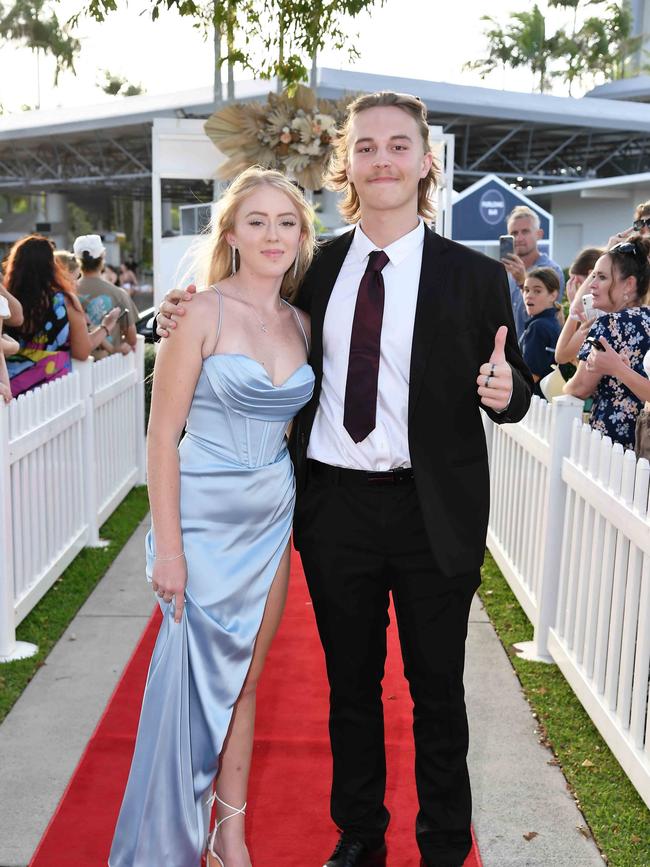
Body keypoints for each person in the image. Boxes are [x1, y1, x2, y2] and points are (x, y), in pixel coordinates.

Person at [158, 91, 533, 867]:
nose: (384, 159)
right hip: (336, 508)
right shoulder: (313, 271)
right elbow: (246, 317)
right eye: (367, 146)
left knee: (438, 693)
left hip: (436, 515)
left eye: (400, 145)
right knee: (350, 688)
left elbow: (517, 381)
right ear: (347, 164)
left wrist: (508, 393)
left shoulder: (474, 277)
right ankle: (359, 835)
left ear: (426, 162)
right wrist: (177, 310)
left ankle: (439, 844)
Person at [109, 167, 315, 867]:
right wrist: (169, 550)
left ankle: (230, 833)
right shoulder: (198, 312)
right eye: (256, 221)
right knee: (187, 690)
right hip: (200, 519)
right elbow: (161, 435)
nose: (272, 235)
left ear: (302, 235)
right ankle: (166, 838)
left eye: (286, 222)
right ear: (230, 232)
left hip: (270, 518)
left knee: (247, 681)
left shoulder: (302, 321)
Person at [4, 235, 119, 398]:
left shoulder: (7, 302)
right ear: (51, 265)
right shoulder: (64, 301)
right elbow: (82, 351)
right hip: (55, 392)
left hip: (12, 393)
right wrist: (107, 326)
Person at [564, 237, 650, 451]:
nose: (592, 284)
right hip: (641, 443)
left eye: (601, 277)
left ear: (629, 284)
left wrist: (565, 386)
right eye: (593, 276)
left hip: (611, 442)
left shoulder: (609, 323)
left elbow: (580, 387)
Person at [501, 205, 565, 339]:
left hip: (535, 350)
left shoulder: (552, 270)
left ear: (539, 234)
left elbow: (545, 316)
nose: (519, 238)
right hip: (508, 351)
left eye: (525, 232)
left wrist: (522, 281)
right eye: (514, 233)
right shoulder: (505, 271)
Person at [74, 234, 139, 356]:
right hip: (111, 367)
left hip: (75, 367)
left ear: (78, 260)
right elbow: (132, 339)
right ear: (103, 256)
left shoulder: (67, 293)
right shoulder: (119, 294)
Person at [519, 267, 562, 398]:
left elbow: (531, 376)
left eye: (537, 291)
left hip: (536, 404)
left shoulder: (538, 327)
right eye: (526, 290)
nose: (529, 295)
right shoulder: (552, 323)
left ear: (553, 295)